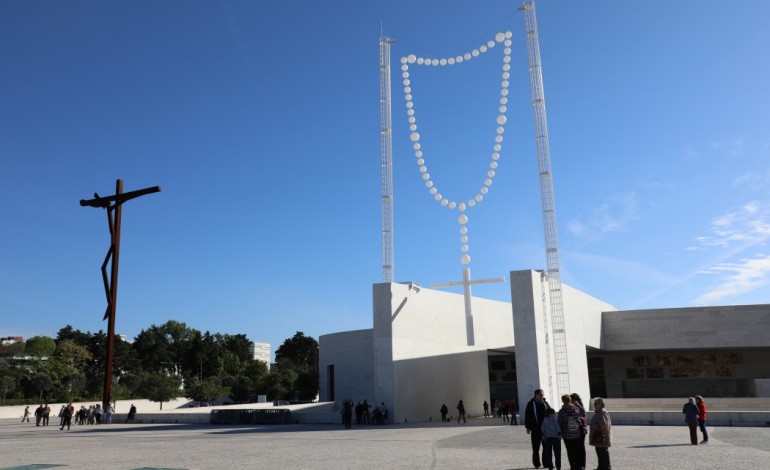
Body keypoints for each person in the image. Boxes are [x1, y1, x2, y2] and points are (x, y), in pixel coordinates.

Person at [524, 389, 552, 469]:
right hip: (535, 429)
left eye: (542, 394)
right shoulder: (530, 404)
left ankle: (546, 463)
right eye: (540, 394)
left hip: (545, 430)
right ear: (536, 395)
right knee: (535, 448)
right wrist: (528, 427)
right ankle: (536, 463)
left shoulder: (545, 403)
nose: (542, 396)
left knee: (546, 447)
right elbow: (527, 416)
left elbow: (550, 413)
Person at [557, 394, 582, 470]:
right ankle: (578, 465)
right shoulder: (575, 409)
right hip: (575, 433)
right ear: (570, 400)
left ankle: (572, 465)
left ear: (562, 401)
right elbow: (579, 418)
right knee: (577, 449)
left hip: (566, 434)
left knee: (569, 450)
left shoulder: (561, 411)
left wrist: (559, 433)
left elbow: (559, 423)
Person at [589, 397, 611, 470]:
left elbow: (605, 427)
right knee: (599, 452)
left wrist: (606, 438)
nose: (595, 405)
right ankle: (601, 467)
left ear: (601, 405)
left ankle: (606, 468)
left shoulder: (602, 413)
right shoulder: (598, 412)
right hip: (598, 436)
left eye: (596, 403)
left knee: (603, 452)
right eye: (594, 403)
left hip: (601, 437)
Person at [570, 393, 587, 470]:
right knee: (574, 447)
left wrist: (578, 406)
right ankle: (576, 464)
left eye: (573, 400)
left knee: (581, 447)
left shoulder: (580, 407)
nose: (572, 402)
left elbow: (584, 414)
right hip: (573, 428)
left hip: (581, 428)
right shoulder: (570, 407)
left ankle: (582, 465)